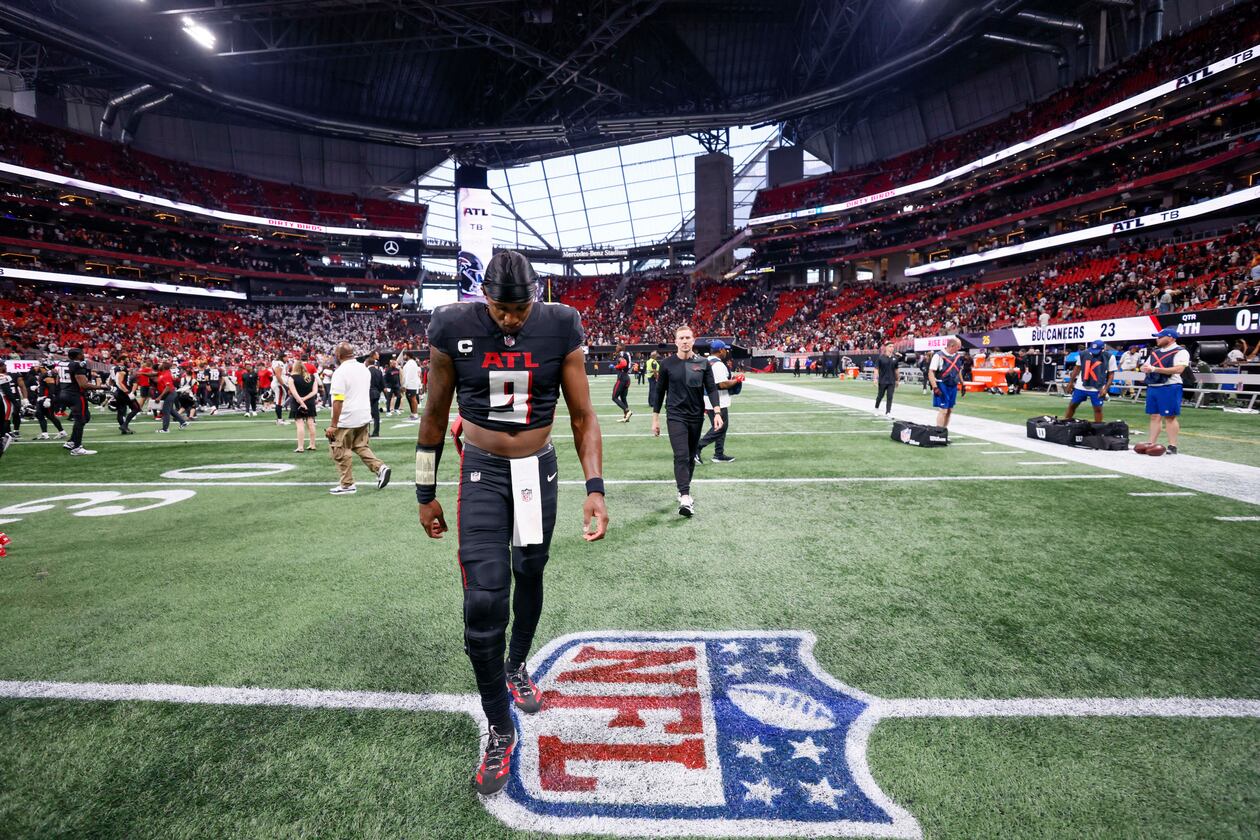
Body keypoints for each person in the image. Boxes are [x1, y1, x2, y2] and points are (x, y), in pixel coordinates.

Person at [415, 250, 607, 796]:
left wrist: (595, 488)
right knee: (483, 597)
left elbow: (582, 415)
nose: (510, 319)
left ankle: (516, 662)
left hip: (535, 471)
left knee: (531, 569)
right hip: (480, 470)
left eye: (519, 308)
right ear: (484, 298)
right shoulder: (452, 325)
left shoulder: (560, 324)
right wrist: (423, 490)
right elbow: (433, 412)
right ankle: (501, 727)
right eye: (500, 308)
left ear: (537, 296)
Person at [651, 324, 724, 517]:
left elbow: (712, 388)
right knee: (681, 454)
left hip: (696, 415)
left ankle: (683, 488)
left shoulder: (703, 363)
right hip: (675, 415)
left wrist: (716, 412)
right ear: (675, 341)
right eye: (681, 338)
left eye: (687, 338)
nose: (684, 341)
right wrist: (655, 419)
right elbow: (659, 393)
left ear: (693, 340)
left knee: (690, 456)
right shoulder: (667, 364)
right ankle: (685, 497)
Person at [325, 343, 390, 495]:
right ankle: (380, 468)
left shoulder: (340, 372)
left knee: (340, 449)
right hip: (363, 415)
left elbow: (338, 400)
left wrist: (333, 425)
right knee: (360, 446)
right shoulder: (363, 368)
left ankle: (347, 484)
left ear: (339, 355)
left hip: (347, 417)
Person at [1142, 327, 1190, 454]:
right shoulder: (1155, 352)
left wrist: (1154, 369)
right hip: (1154, 385)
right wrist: (1145, 368)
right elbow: (1146, 366)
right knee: (1154, 416)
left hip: (1170, 386)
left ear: (1170, 338)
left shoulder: (1180, 351)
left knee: (1170, 416)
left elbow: (1179, 369)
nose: (1157, 339)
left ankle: (1172, 446)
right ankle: (1151, 443)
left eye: (1160, 336)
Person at [696, 339, 742, 464]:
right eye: (725, 349)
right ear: (721, 350)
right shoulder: (718, 364)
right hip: (718, 400)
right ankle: (697, 447)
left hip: (708, 399)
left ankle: (719, 453)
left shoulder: (706, 362)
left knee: (718, 427)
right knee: (721, 427)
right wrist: (737, 380)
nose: (726, 352)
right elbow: (722, 384)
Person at [55, 349, 105, 455]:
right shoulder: (77, 365)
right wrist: (102, 387)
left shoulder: (61, 364)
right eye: (82, 354)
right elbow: (83, 385)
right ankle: (77, 448)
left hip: (64, 392)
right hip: (75, 395)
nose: (84, 355)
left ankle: (72, 442)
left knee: (85, 417)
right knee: (80, 420)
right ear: (78, 355)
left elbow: (57, 380)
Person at [1065, 340, 1117, 422]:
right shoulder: (1083, 354)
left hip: (1098, 386)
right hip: (1081, 385)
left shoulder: (1110, 357)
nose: (1094, 353)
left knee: (1098, 409)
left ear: (1103, 349)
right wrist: (1071, 382)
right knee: (1072, 405)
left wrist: (1105, 389)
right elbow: (1077, 368)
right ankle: (1065, 424)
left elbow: (1111, 374)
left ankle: (1098, 429)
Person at [927, 338, 964, 428]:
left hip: (953, 385)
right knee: (943, 410)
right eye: (957, 347)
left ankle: (944, 431)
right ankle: (939, 431)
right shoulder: (938, 356)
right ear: (951, 346)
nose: (959, 348)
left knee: (950, 410)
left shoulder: (957, 356)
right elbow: (931, 372)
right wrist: (935, 387)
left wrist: (963, 384)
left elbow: (958, 370)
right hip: (942, 384)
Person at [27, 362, 66, 440]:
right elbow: (47, 385)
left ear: (44, 367)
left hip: (46, 398)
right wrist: (38, 387)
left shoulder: (48, 374)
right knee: (44, 415)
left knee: (48, 415)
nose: (38, 368)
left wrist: (48, 398)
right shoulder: (47, 374)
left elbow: (52, 387)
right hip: (43, 397)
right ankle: (55, 433)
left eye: (40, 367)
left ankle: (53, 433)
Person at [287, 359, 318, 452]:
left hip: (297, 402)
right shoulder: (312, 377)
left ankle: (300, 447)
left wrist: (301, 402)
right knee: (310, 423)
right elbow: (314, 391)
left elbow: (294, 393)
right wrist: (304, 400)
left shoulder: (292, 378)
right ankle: (312, 445)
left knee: (300, 424)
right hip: (310, 402)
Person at [153, 361, 189, 433]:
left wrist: (160, 397)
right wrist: (142, 373)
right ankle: (183, 422)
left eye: (161, 364)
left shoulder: (166, 374)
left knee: (166, 411)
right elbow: (153, 375)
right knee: (171, 410)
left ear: (163, 367)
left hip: (170, 393)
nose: (159, 365)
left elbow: (168, 387)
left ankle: (165, 429)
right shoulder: (163, 373)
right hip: (169, 394)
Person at [112, 357, 141, 434]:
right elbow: (119, 382)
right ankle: (124, 426)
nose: (128, 362)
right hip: (124, 393)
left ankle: (124, 428)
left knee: (121, 411)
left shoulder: (116, 368)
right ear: (122, 361)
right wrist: (128, 392)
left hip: (119, 392)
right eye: (127, 361)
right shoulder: (121, 368)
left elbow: (112, 380)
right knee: (136, 408)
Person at [874, 342, 899, 415]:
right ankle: (876, 407)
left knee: (890, 396)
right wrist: (875, 378)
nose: (892, 348)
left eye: (893, 346)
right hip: (882, 381)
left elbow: (896, 370)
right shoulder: (880, 358)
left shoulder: (895, 358)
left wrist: (897, 380)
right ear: (886, 348)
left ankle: (888, 412)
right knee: (880, 396)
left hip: (892, 381)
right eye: (890, 346)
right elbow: (876, 369)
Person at [611, 342, 632, 422]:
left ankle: (627, 411)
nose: (616, 348)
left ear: (621, 347)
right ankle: (626, 417)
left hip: (622, 377)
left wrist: (615, 367)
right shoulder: (627, 353)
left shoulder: (622, 353)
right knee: (623, 398)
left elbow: (623, 363)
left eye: (617, 346)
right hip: (627, 377)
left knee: (614, 397)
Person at [366, 351, 385, 437]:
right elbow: (382, 385)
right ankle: (376, 432)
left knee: (366, 413)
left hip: (367, 393)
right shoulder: (379, 372)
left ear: (367, 363)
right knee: (376, 413)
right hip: (376, 393)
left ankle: (366, 432)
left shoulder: (365, 371)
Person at [401, 351, 422, 420]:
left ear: (408, 355)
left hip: (411, 384)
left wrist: (405, 385)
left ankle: (415, 414)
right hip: (410, 384)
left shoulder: (411, 363)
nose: (403, 357)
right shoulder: (410, 363)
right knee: (410, 399)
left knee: (413, 399)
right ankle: (413, 413)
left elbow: (408, 375)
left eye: (404, 355)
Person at [270, 357, 289, 425]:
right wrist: (284, 385)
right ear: (283, 357)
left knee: (280, 402)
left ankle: (279, 418)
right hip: (279, 384)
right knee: (279, 402)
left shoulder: (275, 362)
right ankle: (279, 420)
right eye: (286, 357)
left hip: (278, 383)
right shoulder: (279, 363)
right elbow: (278, 375)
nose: (287, 358)